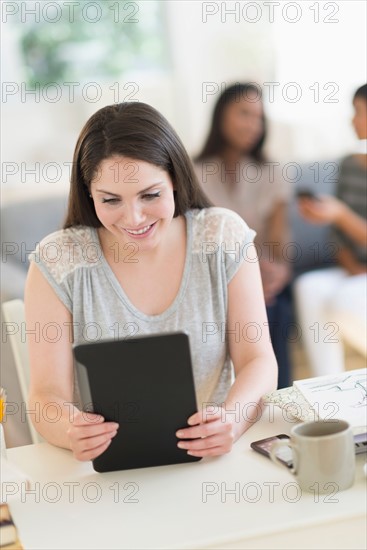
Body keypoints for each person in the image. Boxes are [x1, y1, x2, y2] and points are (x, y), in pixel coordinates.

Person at [25, 102, 277, 462]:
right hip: (107, 474)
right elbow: (45, 397)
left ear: (175, 179)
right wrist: (69, 429)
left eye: (150, 195)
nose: (134, 218)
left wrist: (233, 421)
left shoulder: (223, 237)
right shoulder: (59, 260)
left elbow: (259, 361)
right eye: (111, 200)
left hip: (215, 461)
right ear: (88, 193)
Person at [194, 83, 293, 389]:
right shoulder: (193, 172)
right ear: (221, 115)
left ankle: (279, 398)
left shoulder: (270, 171)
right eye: (244, 114)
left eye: (259, 118)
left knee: (273, 305)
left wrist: (277, 273)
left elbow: (279, 244)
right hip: (210, 278)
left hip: (262, 276)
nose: (253, 125)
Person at [294, 84, 367, 376]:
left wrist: (340, 214)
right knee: (309, 286)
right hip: (355, 268)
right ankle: (328, 390)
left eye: (358, 111)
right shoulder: (348, 165)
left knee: (345, 299)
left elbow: (341, 218)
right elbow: (336, 235)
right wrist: (350, 264)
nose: (352, 120)